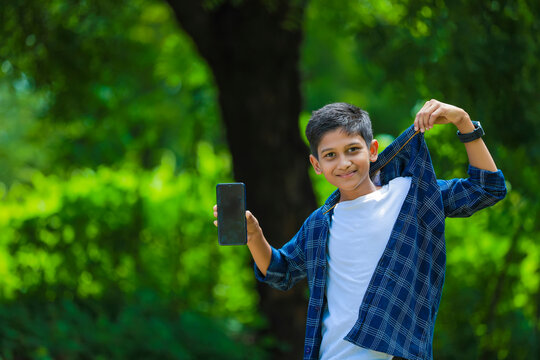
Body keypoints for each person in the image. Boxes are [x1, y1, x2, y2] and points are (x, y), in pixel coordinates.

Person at [213, 99, 507, 360]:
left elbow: (487, 188)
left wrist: (463, 121)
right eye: (330, 156)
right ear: (316, 164)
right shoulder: (320, 223)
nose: (343, 163)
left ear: (373, 150)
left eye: (352, 150)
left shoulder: (411, 196)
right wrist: (253, 236)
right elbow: (281, 271)